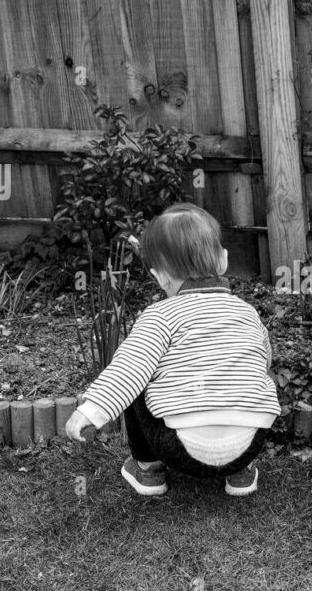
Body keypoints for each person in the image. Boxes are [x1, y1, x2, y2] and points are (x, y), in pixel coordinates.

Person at [66, 203, 280, 496]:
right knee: (256, 371)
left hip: (179, 448)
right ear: (224, 261)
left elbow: (129, 367)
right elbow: (264, 361)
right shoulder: (247, 313)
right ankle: (240, 473)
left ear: (160, 276)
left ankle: (149, 471)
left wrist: (93, 410)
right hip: (251, 441)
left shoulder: (160, 316)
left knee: (140, 377)